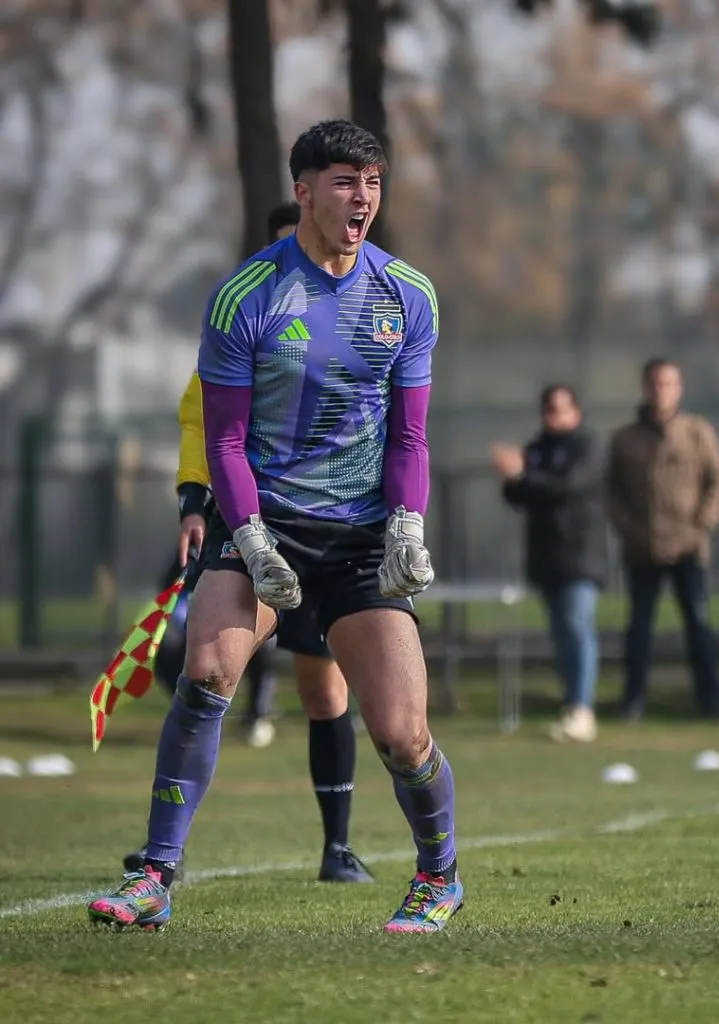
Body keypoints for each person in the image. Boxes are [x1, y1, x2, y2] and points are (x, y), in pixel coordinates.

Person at [88, 119, 461, 933]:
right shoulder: (245, 295)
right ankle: (155, 874)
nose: (361, 198)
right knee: (211, 669)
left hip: (360, 537)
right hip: (267, 522)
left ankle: (439, 877)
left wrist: (407, 524)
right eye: (342, 182)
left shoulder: (410, 296)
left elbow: (410, 436)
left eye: (372, 183)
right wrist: (248, 534)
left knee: (401, 734)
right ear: (303, 191)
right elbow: (221, 439)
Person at [606, 359, 719, 720]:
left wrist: (699, 526)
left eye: (669, 383)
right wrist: (629, 528)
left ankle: (711, 704)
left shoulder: (696, 432)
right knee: (639, 631)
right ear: (646, 387)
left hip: (689, 550)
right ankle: (633, 703)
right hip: (642, 549)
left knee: (698, 626)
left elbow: (718, 483)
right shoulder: (625, 438)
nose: (662, 390)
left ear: (680, 388)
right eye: (656, 383)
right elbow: (611, 492)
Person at [493, 384, 607, 742]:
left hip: (581, 554)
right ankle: (571, 704)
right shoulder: (537, 449)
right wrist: (512, 476)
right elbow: (517, 496)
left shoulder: (587, 446)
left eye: (561, 408)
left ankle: (581, 707)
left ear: (576, 411)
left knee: (577, 626)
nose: (553, 415)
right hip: (546, 557)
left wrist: (524, 475)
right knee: (560, 634)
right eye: (548, 408)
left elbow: (569, 486)